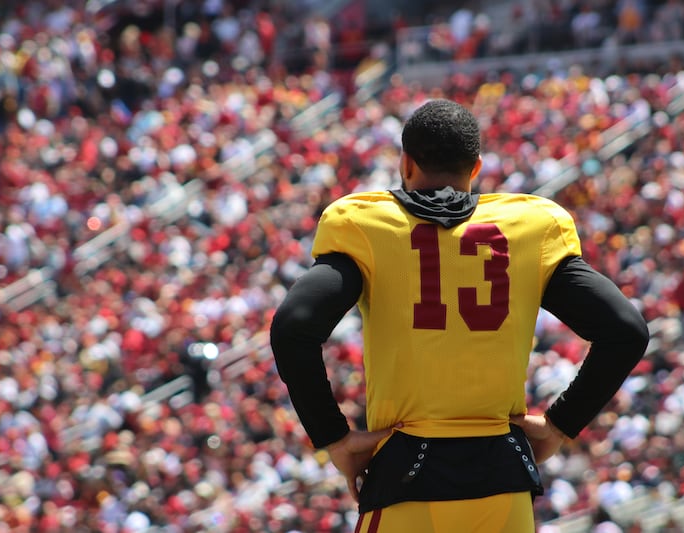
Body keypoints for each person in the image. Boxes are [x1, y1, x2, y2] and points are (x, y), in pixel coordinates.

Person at [270, 98, 649, 532]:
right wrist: (561, 423)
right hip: (502, 479)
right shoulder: (532, 224)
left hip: (407, 474)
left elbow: (293, 327)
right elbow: (626, 331)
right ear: (476, 168)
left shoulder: (362, 223)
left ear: (405, 163)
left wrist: (333, 437)